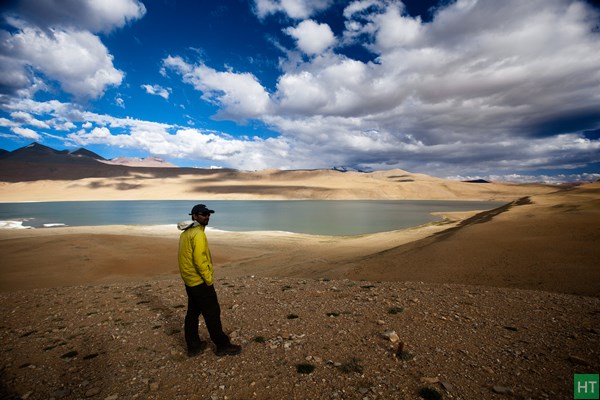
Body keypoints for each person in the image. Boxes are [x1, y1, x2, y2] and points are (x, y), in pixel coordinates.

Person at [177, 204, 241, 357]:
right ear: (194, 216)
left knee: (192, 313)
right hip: (199, 282)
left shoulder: (186, 233)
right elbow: (199, 260)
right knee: (212, 313)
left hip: (190, 281)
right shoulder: (198, 234)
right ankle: (222, 345)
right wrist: (208, 279)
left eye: (208, 214)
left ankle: (193, 346)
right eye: (202, 214)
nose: (206, 216)